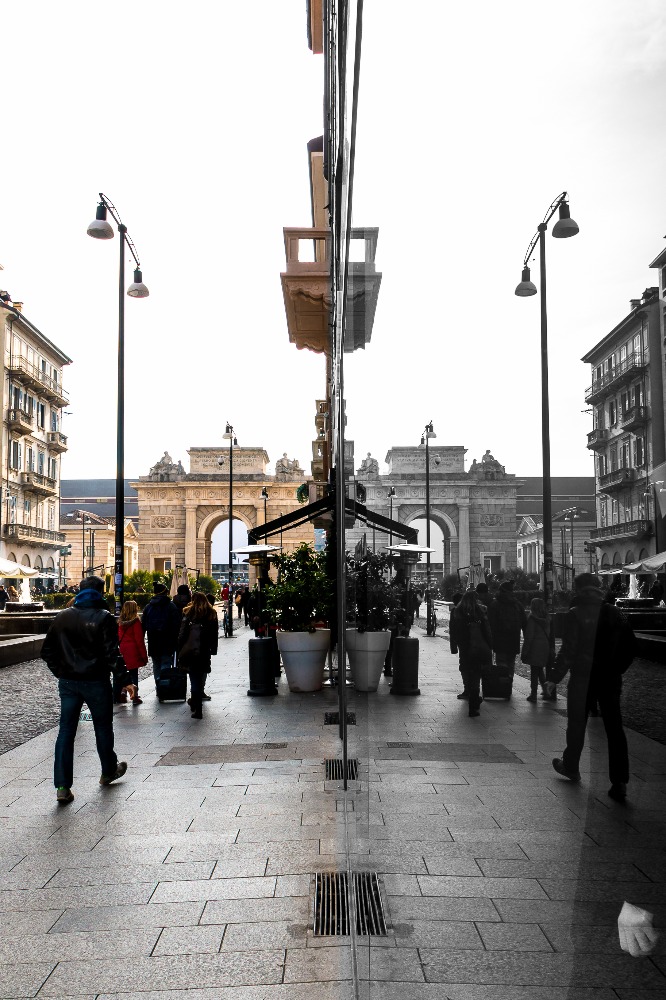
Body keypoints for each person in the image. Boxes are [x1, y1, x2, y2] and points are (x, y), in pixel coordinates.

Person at [40, 576, 136, 805]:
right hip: (95, 681)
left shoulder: (62, 616)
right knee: (102, 728)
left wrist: (62, 672)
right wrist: (125, 679)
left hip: (69, 683)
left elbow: (47, 652)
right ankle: (108, 771)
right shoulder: (103, 618)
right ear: (100, 593)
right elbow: (112, 654)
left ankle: (62, 786)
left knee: (66, 732)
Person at [546, 573, 636, 801]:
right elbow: (631, 646)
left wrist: (553, 678)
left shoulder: (575, 615)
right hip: (610, 679)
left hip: (583, 678)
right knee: (615, 729)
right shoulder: (617, 613)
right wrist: (617, 670)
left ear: (578, 590)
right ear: (598, 589)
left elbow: (568, 651)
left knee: (576, 723)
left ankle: (572, 766)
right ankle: (620, 781)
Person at [449, 590, 493, 716]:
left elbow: (453, 631)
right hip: (480, 647)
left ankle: (470, 694)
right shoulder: (480, 611)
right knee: (479, 673)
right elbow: (487, 630)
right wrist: (490, 645)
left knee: (468, 670)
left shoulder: (457, 612)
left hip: (465, 647)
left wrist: (454, 647)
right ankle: (475, 699)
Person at [177, 591, 219, 719]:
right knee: (200, 676)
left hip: (190, 650)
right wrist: (213, 649)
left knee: (194, 677)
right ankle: (196, 702)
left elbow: (183, 633)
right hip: (204, 650)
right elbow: (214, 634)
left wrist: (179, 648)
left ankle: (196, 705)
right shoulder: (212, 613)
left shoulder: (188, 613)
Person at [141, 582, 182, 696]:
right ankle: (164, 685)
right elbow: (176, 625)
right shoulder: (170, 606)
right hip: (168, 641)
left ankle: (158, 685)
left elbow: (143, 625)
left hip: (153, 640)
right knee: (166, 662)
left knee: (156, 664)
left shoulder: (148, 607)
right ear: (165, 592)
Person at [487, 580, 526, 680]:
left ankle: (502, 684)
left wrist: (489, 639)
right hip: (514, 640)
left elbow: (490, 623)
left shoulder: (495, 605)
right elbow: (524, 623)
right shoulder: (517, 605)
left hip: (499, 640)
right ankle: (509, 682)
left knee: (501, 662)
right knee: (511, 663)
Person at [117, 600, 147, 705]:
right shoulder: (136, 622)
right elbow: (139, 640)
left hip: (123, 649)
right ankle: (135, 696)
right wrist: (144, 655)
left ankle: (123, 692)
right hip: (133, 649)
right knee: (134, 674)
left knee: (124, 672)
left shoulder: (120, 622)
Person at [521, 598, 551, 702]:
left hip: (535, 647)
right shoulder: (547, 618)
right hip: (545, 646)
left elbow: (529, 637)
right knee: (539, 670)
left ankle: (533, 693)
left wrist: (524, 652)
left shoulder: (532, 619)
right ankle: (546, 691)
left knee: (534, 671)